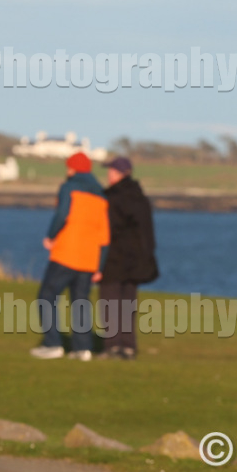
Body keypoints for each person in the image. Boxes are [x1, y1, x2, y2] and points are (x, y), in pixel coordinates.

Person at [31, 151, 108, 361]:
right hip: (89, 258)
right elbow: (104, 236)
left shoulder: (69, 187)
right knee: (80, 301)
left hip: (67, 253)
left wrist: (50, 236)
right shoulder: (102, 195)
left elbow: (62, 214)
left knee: (47, 296)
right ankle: (82, 349)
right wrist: (100, 266)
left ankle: (52, 344)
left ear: (72, 168)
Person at [97, 155, 156, 360]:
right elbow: (147, 232)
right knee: (128, 303)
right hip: (136, 260)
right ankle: (129, 346)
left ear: (119, 173)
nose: (108, 174)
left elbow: (108, 230)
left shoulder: (112, 198)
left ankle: (113, 346)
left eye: (111, 171)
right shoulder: (140, 198)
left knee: (110, 302)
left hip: (114, 258)